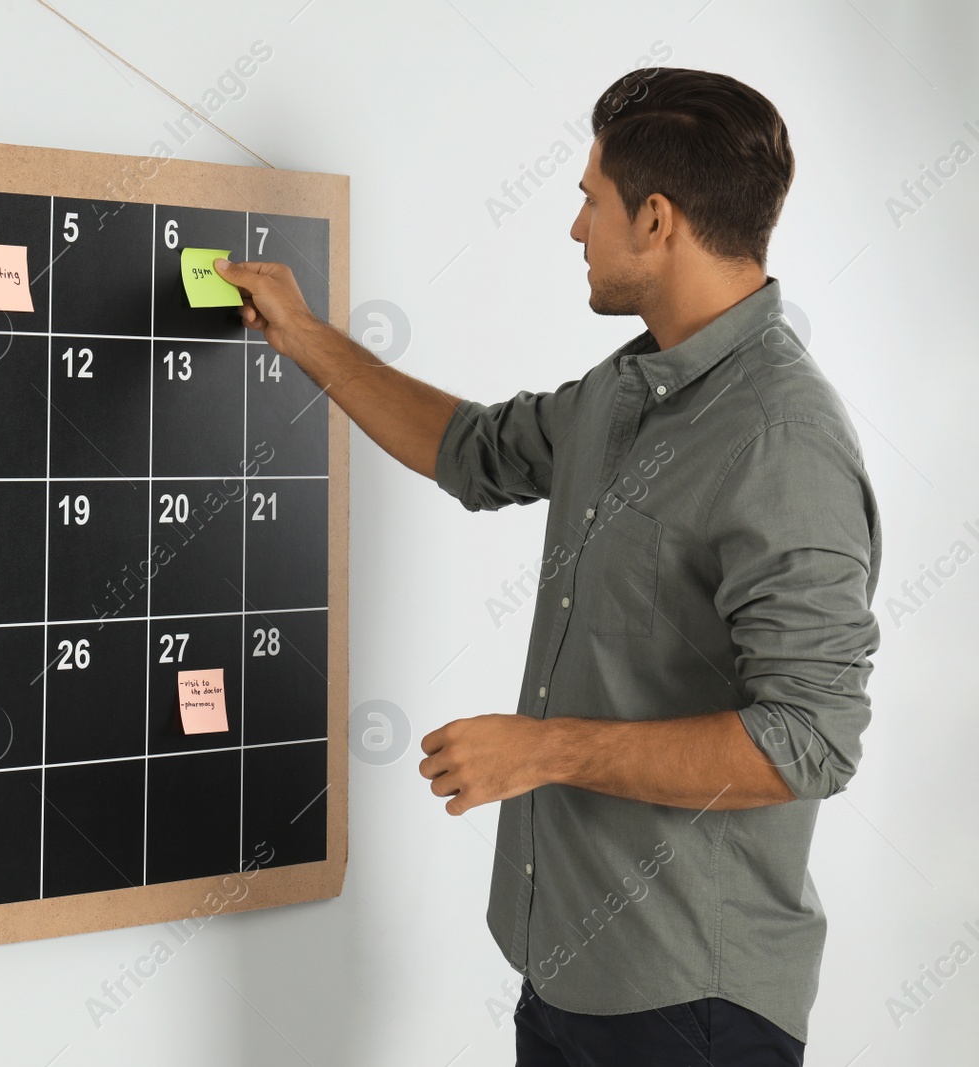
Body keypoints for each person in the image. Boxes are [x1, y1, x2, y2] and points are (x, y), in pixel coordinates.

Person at [215, 67, 880, 1066]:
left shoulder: (781, 436)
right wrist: (303, 338)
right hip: (568, 976)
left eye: (588, 199)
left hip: (694, 1009)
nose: (576, 228)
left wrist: (548, 748)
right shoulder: (623, 389)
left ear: (654, 219)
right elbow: (474, 449)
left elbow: (807, 743)